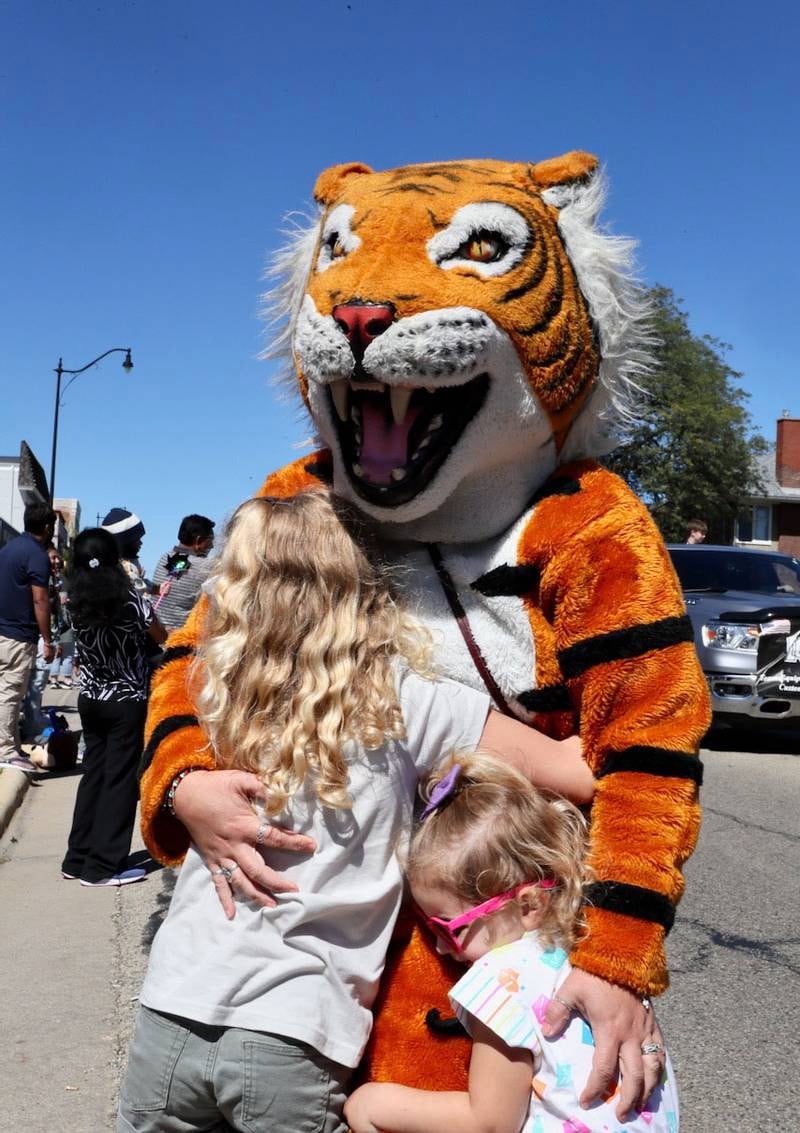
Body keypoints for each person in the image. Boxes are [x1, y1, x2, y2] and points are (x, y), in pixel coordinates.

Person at [117, 491, 594, 1133]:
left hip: (170, 1013)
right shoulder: (410, 700)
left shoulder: (216, 693)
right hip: (298, 1030)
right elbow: (579, 772)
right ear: (363, 582)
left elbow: (161, 752)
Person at [345, 752, 678, 1133]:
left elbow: (490, 1121)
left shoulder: (501, 976)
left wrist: (373, 1102)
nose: (439, 947)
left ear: (528, 905)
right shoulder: (589, 960)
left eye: (449, 928)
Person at [61, 528, 166, 887]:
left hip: (90, 699)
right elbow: (160, 635)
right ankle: (104, 865)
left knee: (93, 776)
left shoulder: (75, 602)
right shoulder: (131, 601)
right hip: (126, 700)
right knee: (120, 781)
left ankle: (77, 858)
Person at [0, 503, 55, 774]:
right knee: (11, 693)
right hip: (18, 635)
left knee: (5, 691)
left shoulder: (8, 549)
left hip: (3, 630)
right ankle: (5, 750)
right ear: (47, 527)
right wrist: (48, 639)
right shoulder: (37, 555)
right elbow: (40, 599)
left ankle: (11, 743)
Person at [151, 514, 215, 631]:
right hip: (180, 640)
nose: (212, 545)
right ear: (198, 540)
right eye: (210, 540)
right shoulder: (206, 566)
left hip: (154, 632)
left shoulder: (164, 558)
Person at [101, 507, 151, 594]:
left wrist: (156, 588)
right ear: (125, 542)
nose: (141, 543)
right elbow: (139, 588)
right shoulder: (124, 568)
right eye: (137, 540)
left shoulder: (129, 562)